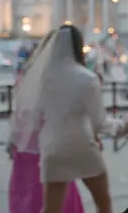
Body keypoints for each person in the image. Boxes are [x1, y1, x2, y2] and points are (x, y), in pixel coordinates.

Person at [11, 25, 128, 213]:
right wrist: (121, 126)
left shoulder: (42, 79)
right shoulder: (87, 78)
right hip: (82, 145)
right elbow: (99, 124)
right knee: (103, 202)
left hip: (52, 148)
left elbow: (31, 116)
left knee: (51, 208)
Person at [7, 29, 84, 213]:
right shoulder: (69, 80)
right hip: (52, 158)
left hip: (24, 157)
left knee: (26, 203)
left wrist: (13, 141)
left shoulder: (29, 75)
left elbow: (19, 115)